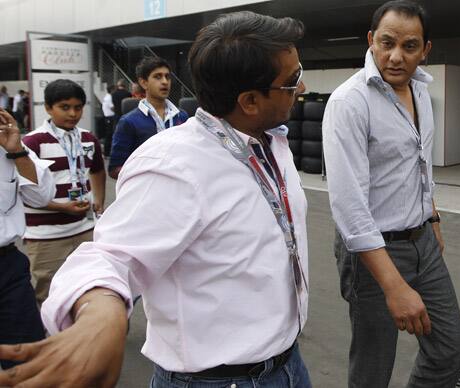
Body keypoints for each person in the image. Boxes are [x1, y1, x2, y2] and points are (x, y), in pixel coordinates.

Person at [0, 10, 311, 388]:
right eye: (292, 81)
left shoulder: (271, 140)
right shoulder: (174, 165)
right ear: (249, 101)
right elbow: (109, 257)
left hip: (287, 364)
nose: (304, 88)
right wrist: (102, 314)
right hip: (218, 381)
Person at [322, 1, 460, 387]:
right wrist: (393, 285)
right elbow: (349, 206)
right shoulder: (349, 103)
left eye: (409, 46)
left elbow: (420, 164)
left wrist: (431, 215)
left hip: (423, 242)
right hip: (373, 253)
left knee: (450, 348)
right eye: (386, 43)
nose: (396, 57)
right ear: (371, 41)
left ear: (426, 50)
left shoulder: (421, 93)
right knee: (374, 367)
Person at [21, 79, 106, 307]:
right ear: (48, 108)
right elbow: (26, 192)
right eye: (65, 107)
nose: (73, 113)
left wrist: (98, 199)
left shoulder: (88, 138)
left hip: (85, 228)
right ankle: (55, 340)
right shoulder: (32, 142)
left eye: (78, 107)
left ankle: (81, 336)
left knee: (86, 286)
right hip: (46, 235)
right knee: (48, 292)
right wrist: (61, 207)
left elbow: (98, 170)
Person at [0, 108, 55, 370]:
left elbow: (41, 197)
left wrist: (17, 151)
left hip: (8, 266)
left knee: (26, 358)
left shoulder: (9, 144)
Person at [108, 57, 188, 179]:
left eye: (167, 77)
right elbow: (114, 169)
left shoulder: (181, 116)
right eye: (158, 77)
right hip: (146, 191)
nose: (165, 82)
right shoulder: (129, 121)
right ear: (144, 82)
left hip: (179, 188)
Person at [101, 84, 116, 156]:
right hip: (109, 117)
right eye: (114, 89)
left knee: (109, 135)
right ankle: (107, 153)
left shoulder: (106, 96)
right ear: (112, 90)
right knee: (109, 135)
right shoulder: (109, 97)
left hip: (107, 117)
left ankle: (107, 152)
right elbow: (112, 107)